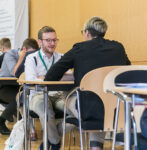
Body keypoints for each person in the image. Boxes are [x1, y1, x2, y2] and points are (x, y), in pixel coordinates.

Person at [44, 16, 131, 150]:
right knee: (101, 101)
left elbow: (50, 76)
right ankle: (95, 145)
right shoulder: (118, 48)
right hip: (116, 109)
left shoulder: (79, 48)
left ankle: (61, 131)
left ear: (87, 33)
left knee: (77, 96)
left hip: (87, 110)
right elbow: (127, 73)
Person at [24, 26, 68, 150]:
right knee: (46, 111)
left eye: (54, 40)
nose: (52, 43)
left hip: (59, 95)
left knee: (76, 111)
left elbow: (69, 78)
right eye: (48, 40)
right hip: (38, 94)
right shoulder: (31, 58)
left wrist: (43, 77)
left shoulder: (61, 57)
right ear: (40, 42)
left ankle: (50, 140)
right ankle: (55, 143)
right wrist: (54, 78)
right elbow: (31, 80)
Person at [0, 38, 39, 135]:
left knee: (27, 95)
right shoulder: (10, 55)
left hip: (19, 87)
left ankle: (26, 128)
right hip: (5, 88)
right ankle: (1, 121)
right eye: (29, 53)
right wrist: (22, 58)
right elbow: (15, 73)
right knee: (22, 97)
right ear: (24, 49)